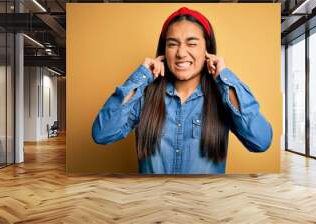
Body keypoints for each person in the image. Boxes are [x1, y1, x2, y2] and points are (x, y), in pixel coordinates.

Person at [92, 7, 273, 174]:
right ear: (164, 51)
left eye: (192, 43)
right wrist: (141, 76)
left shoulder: (223, 96)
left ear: (207, 50)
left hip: (203, 206)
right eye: (172, 44)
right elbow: (102, 133)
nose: (181, 53)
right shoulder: (145, 95)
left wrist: (224, 78)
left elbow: (260, 141)